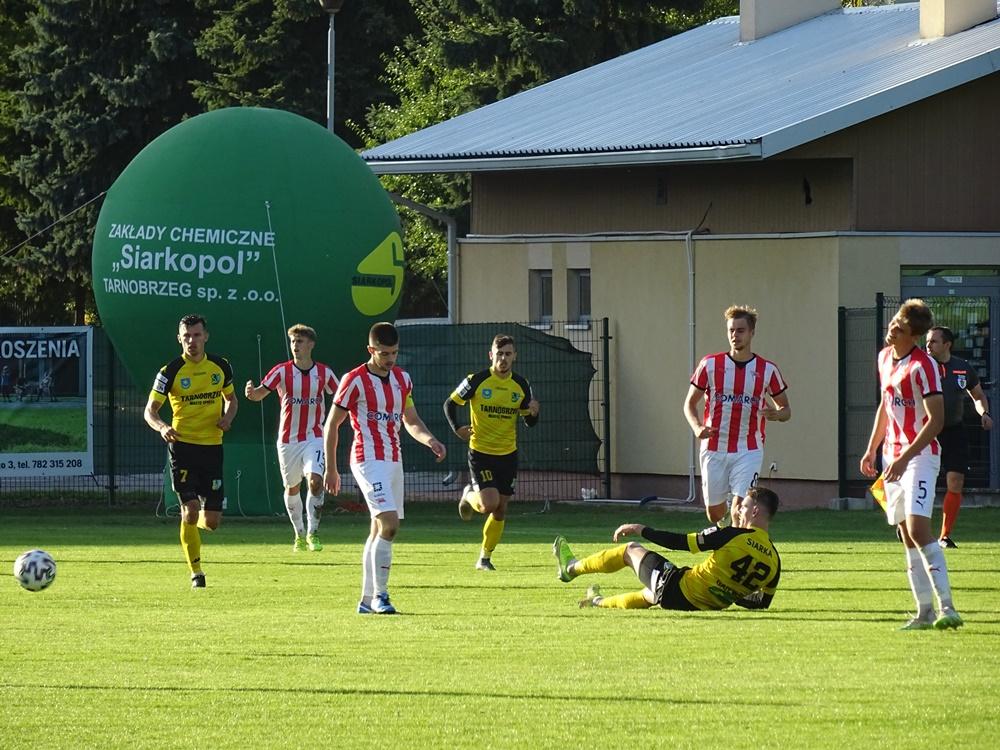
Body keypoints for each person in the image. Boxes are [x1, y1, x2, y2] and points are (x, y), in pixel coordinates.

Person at [323, 322, 446, 614]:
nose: (391, 359)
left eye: (394, 353)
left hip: (393, 461)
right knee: (390, 525)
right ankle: (382, 596)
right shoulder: (353, 380)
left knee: (378, 529)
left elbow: (411, 420)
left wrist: (430, 440)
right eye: (384, 353)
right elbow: (332, 425)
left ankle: (366, 601)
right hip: (367, 460)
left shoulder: (403, 379)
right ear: (371, 350)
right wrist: (330, 468)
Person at [860, 299, 962, 630]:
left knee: (919, 529)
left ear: (913, 335)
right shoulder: (884, 358)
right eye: (892, 324)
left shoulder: (924, 366)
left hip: (919, 456)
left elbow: (937, 420)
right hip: (892, 458)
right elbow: (886, 406)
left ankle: (948, 608)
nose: (891, 330)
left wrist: (904, 458)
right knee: (904, 533)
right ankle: (924, 611)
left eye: (899, 328)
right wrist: (871, 448)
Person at [552, 487, 781, 611]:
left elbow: (681, 543)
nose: (738, 510)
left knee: (630, 550)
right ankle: (596, 602)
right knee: (649, 594)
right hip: (703, 604)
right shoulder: (774, 560)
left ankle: (570, 568)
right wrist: (728, 594)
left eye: (744, 507)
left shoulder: (734, 536)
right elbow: (761, 602)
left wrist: (642, 529)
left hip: (678, 590)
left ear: (755, 513)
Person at [144, 314, 238, 588]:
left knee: (211, 522)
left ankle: (192, 523)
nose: (192, 341)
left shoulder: (220, 366)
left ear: (205, 336)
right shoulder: (169, 371)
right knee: (191, 510)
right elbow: (150, 411)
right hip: (182, 447)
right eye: (186, 336)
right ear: (179, 338)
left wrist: (228, 417)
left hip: (212, 448)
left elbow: (231, 400)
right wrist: (162, 427)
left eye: (196, 335)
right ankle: (196, 572)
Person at [683, 305, 790, 526]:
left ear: (752, 333)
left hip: (748, 449)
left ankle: (736, 548)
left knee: (741, 509)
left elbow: (786, 410)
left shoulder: (767, 369)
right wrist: (697, 427)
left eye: (740, 330)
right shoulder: (710, 364)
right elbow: (689, 404)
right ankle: (724, 527)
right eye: (731, 330)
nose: (735, 335)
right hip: (714, 447)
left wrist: (776, 414)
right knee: (714, 514)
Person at [443, 334, 540, 570]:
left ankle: (484, 558)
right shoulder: (476, 380)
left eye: (508, 354)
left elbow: (529, 422)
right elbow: (450, 404)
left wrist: (534, 413)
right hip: (481, 453)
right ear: (491, 355)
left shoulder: (521, 384)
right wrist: (457, 428)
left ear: (515, 356)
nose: (503, 359)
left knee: (500, 509)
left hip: (508, 454)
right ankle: (468, 494)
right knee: (488, 504)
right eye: (499, 354)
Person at [245, 324, 339, 553]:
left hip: (315, 436)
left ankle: (313, 533)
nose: (295, 346)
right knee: (292, 487)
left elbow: (340, 397)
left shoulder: (324, 373)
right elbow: (260, 393)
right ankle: (298, 533)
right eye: (293, 342)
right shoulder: (281, 371)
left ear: (311, 344)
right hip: (288, 440)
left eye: (300, 341)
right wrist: (251, 393)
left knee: (316, 481)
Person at [925, 325, 993, 548]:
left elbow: (978, 395)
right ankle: (908, 525)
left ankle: (944, 536)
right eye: (927, 341)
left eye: (934, 341)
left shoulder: (962, 368)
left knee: (956, 481)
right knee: (918, 481)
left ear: (947, 344)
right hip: (925, 432)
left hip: (953, 430)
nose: (928, 345)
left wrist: (984, 413)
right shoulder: (921, 366)